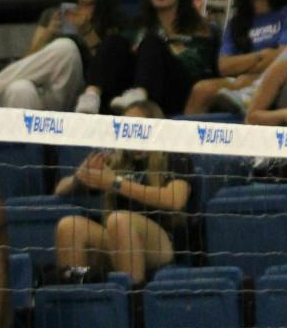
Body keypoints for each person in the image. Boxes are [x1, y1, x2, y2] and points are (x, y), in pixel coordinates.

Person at [52, 106, 189, 284]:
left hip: (161, 242)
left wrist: (116, 183)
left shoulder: (172, 156)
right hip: (117, 239)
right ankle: (78, 297)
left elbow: (175, 199)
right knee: (69, 226)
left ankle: (132, 301)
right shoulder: (117, 160)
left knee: (119, 220)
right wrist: (80, 176)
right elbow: (60, 190)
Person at [90, 0, 219, 116]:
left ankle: (141, 93)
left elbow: (197, 68)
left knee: (152, 43)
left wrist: (160, 52)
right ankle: (91, 96)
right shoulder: (137, 27)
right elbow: (112, 58)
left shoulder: (199, 27)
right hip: (132, 89)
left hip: (178, 90)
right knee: (114, 41)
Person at [183, 0, 287, 116]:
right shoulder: (237, 21)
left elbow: (284, 55)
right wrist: (261, 55)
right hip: (241, 80)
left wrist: (251, 70)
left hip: (276, 78)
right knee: (200, 89)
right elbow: (224, 66)